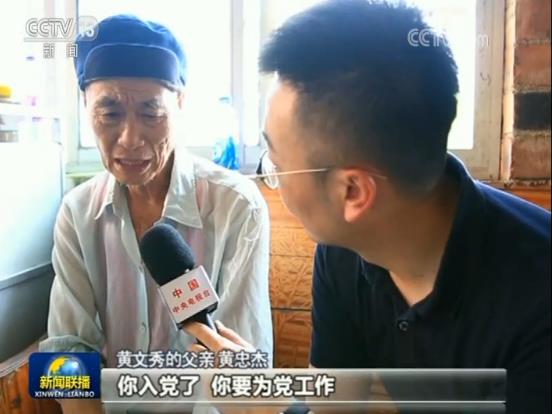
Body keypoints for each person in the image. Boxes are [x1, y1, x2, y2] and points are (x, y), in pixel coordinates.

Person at [185, 1, 551, 413]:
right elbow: (336, 407)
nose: (272, 177)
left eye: (278, 165)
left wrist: (270, 407)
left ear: (353, 192)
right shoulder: (345, 250)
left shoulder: (536, 302)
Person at [39, 14, 272, 414]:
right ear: (85, 107)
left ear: (180, 103)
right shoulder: (77, 213)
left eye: (151, 113)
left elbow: (239, 363)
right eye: (110, 113)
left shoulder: (236, 206)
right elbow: (66, 350)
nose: (130, 139)